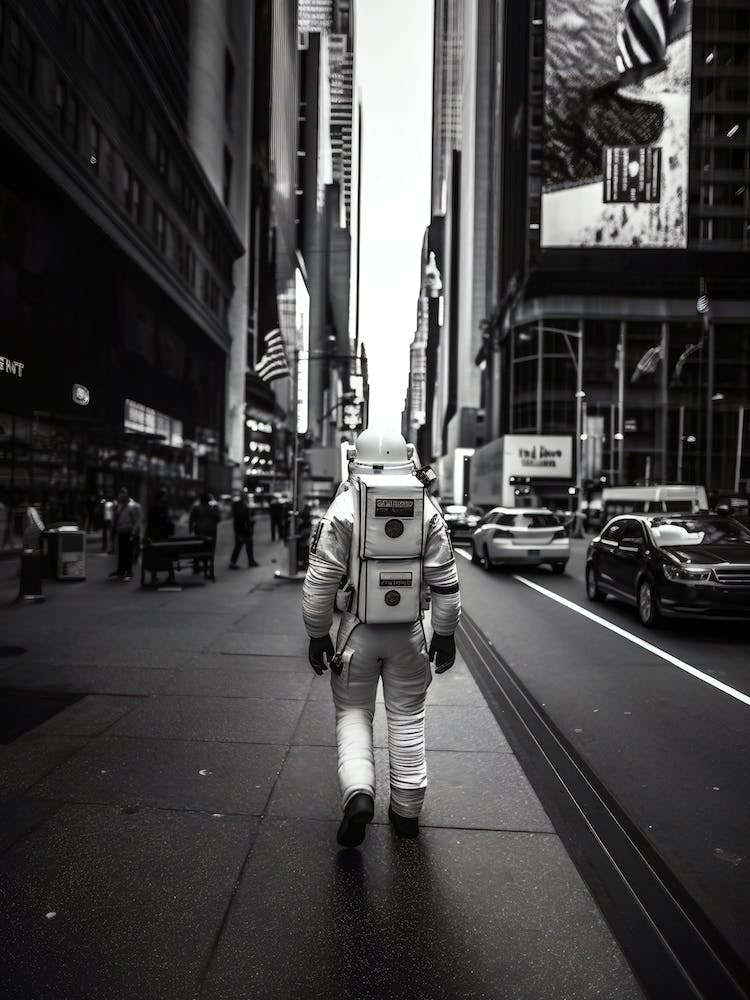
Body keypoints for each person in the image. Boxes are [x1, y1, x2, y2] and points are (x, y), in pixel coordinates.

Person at [302, 429, 461, 848]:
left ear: (356, 457)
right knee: (408, 719)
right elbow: (446, 584)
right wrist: (444, 635)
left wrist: (317, 634)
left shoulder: (344, 506)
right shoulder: (427, 508)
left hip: (357, 632)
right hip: (409, 633)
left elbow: (320, 581)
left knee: (353, 714)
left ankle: (358, 793)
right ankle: (406, 811)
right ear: (407, 456)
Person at [109, 486, 142, 581]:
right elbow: (115, 519)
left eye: (123, 493)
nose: (121, 495)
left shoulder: (134, 506)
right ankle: (120, 570)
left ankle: (129, 572)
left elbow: (137, 521)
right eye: (120, 493)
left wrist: (134, 532)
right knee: (121, 552)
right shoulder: (118, 505)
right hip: (121, 531)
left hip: (129, 531)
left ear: (127, 495)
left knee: (128, 553)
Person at [190, 491, 220, 578]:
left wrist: (191, 529)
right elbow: (218, 519)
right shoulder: (212, 509)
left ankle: (197, 567)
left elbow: (192, 520)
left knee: (198, 549)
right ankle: (209, 571)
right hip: (211, 533)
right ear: (208, 500)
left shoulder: (196, 508)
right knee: (210, 552)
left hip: (200, 533)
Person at [229, 491, 258, 568]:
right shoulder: (242, 505)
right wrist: (250, 523)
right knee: (242, 545)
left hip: (242, 528)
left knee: (243, 545)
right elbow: (242, 518)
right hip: (243, 528)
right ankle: (248, 561)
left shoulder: (240, 504)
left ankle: (249, 561)